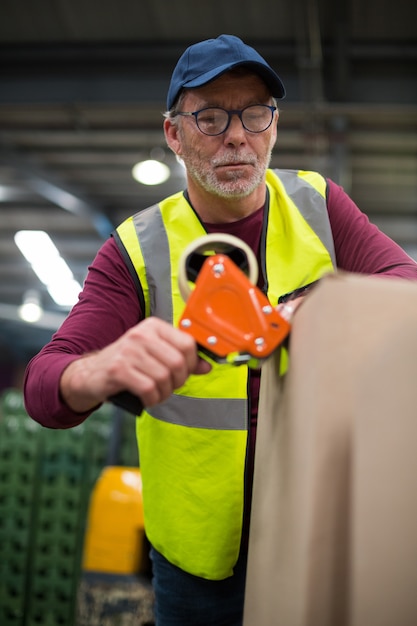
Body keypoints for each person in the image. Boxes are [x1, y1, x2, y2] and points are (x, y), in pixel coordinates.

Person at [24, 34, 417, 625]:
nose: (236, 134)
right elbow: (43, 387)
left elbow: (404, 286)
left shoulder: (318, 204)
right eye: (209, 116)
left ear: (274, 126)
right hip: (198, 560)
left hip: (315, 524)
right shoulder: (136, 249)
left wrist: (324, 302)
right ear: (173, 135)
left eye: (255, 113)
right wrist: (97, 369)